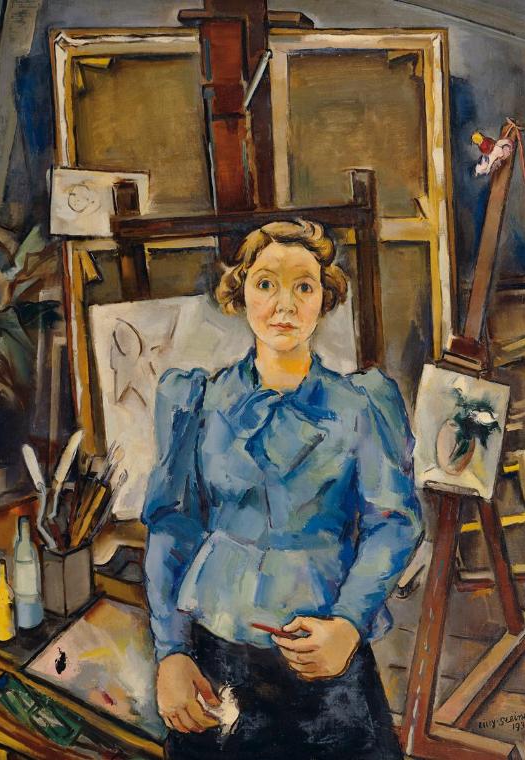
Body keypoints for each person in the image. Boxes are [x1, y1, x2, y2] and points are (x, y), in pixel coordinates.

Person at [142, 220, 423, 759]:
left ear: (324, 298)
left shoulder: (360, 405)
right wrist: (171, 651)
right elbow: (172, 527)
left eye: (304, 286)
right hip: (217, 654)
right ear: (240, 292)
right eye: (266, 284)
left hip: (326, 656)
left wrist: (347, 624)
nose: (284, 305)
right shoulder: (199, 401)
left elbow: (394, 523)